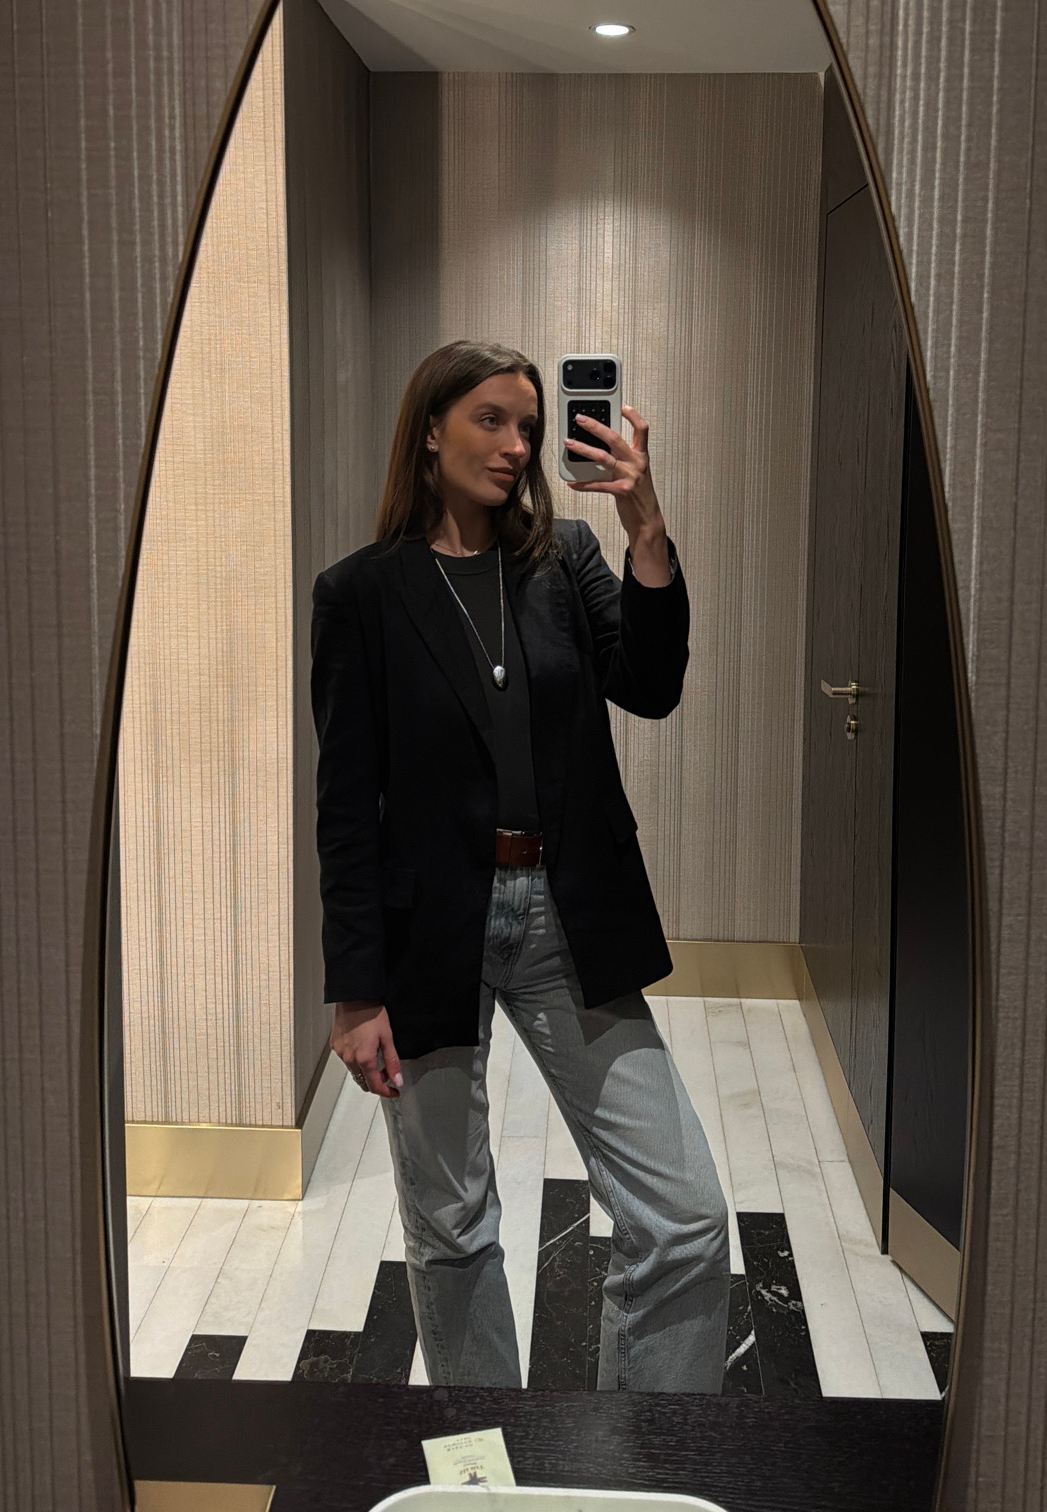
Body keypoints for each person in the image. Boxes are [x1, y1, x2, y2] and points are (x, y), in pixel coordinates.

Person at [310, 339, 730, 1392]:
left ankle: (646, 1456)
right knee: (451, 1227)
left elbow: (650, 685)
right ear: (430, 431)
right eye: (491, 419)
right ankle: (482, 1459)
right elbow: (347, 808)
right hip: (426, 933)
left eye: (529, 426)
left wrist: (645, 531)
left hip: (566, 915)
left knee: (682, 1215)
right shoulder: (360, 594)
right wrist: (355, 990)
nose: (516, 444)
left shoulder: (564, 560)